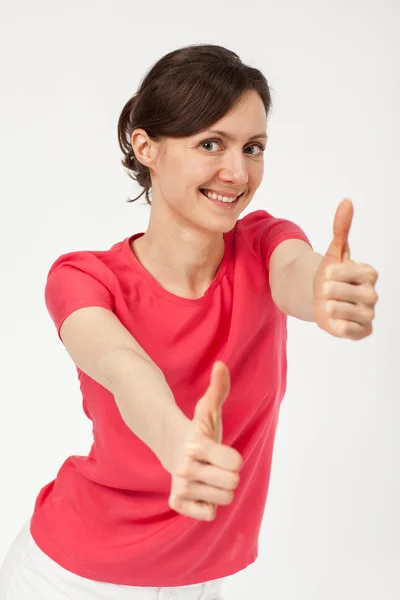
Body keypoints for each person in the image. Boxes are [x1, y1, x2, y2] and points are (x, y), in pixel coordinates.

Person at [0, 43, 379, 600]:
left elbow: (297, 272)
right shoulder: (84, 279)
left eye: (253, 147)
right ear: (146, 146)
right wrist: (175, 439)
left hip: (199, 580)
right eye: (210, 144)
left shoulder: (266, 245)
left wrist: (325, 289)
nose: (237, 171)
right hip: (72, 576)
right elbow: (121, 365)